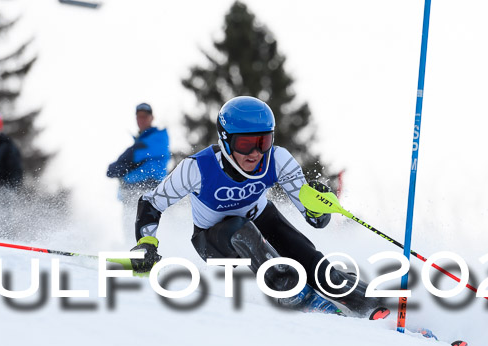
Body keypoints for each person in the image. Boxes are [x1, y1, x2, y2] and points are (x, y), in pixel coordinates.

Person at [127, 96, 390, 318]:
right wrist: (146, 242)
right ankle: (294, 294)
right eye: (245, 143)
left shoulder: (278, 159)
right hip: (214, 240)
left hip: (261, 218)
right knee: (242, 230)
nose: (255, 153)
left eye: (263, 141)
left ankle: (373, 306)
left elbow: (316, 221)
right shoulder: (197, 168)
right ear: (225, 139)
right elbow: (152, 201)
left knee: (310, 259)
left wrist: (317, 206)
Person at [107, 103, 171, 203]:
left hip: (149, 189)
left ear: (152, 118)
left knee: (146, 218)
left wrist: (122, 166)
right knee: (131, 218)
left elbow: (136, 154)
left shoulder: (159, 137)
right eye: (139, 117)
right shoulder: (140, 141)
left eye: (145, 116)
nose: (142, 120)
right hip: (131, 193)